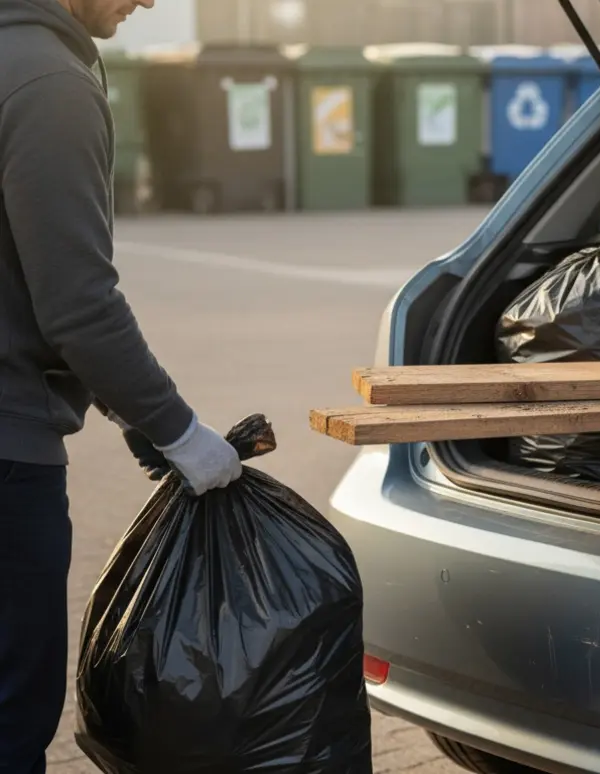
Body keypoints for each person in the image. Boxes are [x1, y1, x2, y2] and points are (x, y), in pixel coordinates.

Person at [0, 0, 243, 770]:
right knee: (10, 715)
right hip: (7, 458)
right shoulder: (48, 83)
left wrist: (134, 419)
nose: (148, 1)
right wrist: (178, 431)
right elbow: (77, 305)